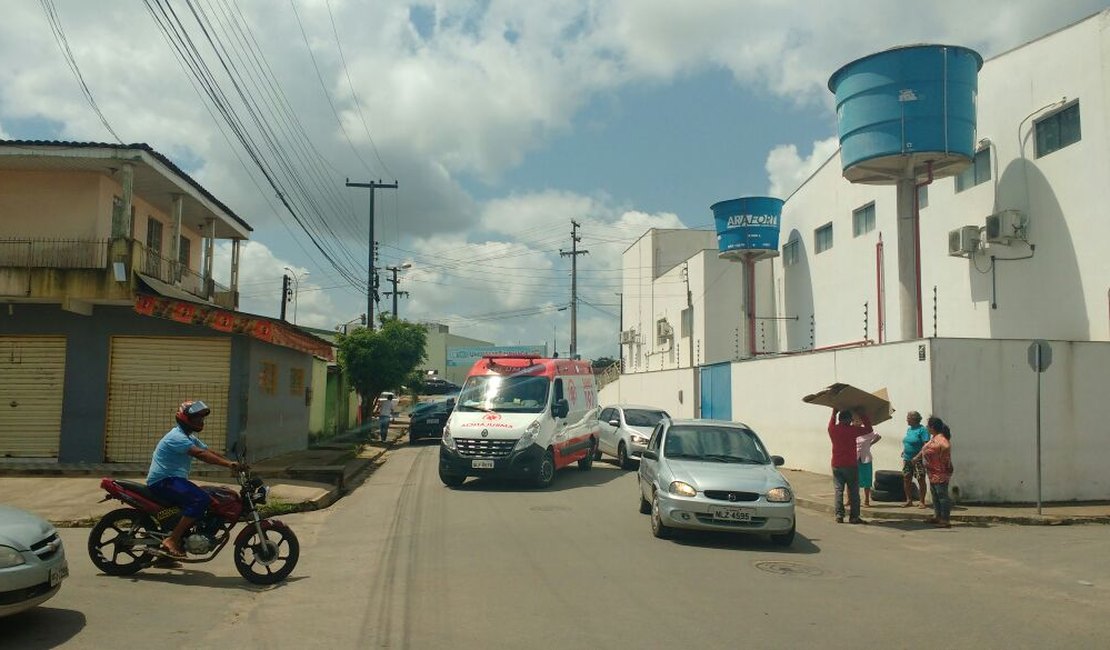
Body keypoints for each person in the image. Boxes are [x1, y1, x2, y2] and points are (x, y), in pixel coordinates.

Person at [146, 400, 244, 557]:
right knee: (200, 499)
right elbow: (200, 454)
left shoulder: (189, 437)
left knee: (208, 497)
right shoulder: (176, 437)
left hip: (174, 481)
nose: (200, 421)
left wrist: (233, 463)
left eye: (201, 418)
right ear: (185, 418)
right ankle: (172, 540)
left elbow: (208, 451)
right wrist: (228, 465)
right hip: (163, 481)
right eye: (196, 417)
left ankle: (166, 555)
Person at [827, 407, 872, 524]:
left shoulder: (833, 430)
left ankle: (839, 515)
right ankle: (854, 517)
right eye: (851, 419)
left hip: (836, 464)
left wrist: (833, 413)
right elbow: (869, 429)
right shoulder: (853, 430)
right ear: (848, 420)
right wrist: (862, 414)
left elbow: (831, 423)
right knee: (853, 492)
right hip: (850, 465)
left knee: (838, 490)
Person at [915, 416, 954, 528]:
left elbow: (946, 446)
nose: (927, 428)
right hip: (932, 472)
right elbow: (924, 449)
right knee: (935, 495)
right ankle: (938, 516)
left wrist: (942, 458)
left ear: (932, 427)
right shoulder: (934, 438)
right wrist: (917, 458)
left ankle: (945, 520)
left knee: (942, 495)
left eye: (928, 426)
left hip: (940, 472)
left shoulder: (940, 438)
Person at [901, 411, 930, 508]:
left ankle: (922, 501)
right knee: (906, 478)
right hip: (907, 458)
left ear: (914, 419)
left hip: (918, 459)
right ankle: (909, 500)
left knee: (920, 479)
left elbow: (926, 445)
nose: (907, 420)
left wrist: (917, 456)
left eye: (908, 418)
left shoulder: (922, 430)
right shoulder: (909, 430)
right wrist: (904, 451)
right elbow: (908, 442)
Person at [856, 428, 882, 507]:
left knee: (866, 480)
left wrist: (870, 443)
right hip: (854, 458)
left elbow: (878, 436)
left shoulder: (867, 431)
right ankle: (851, 500)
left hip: (866, 458)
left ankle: (866, 500)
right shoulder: (852, 430)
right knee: (853, 480)